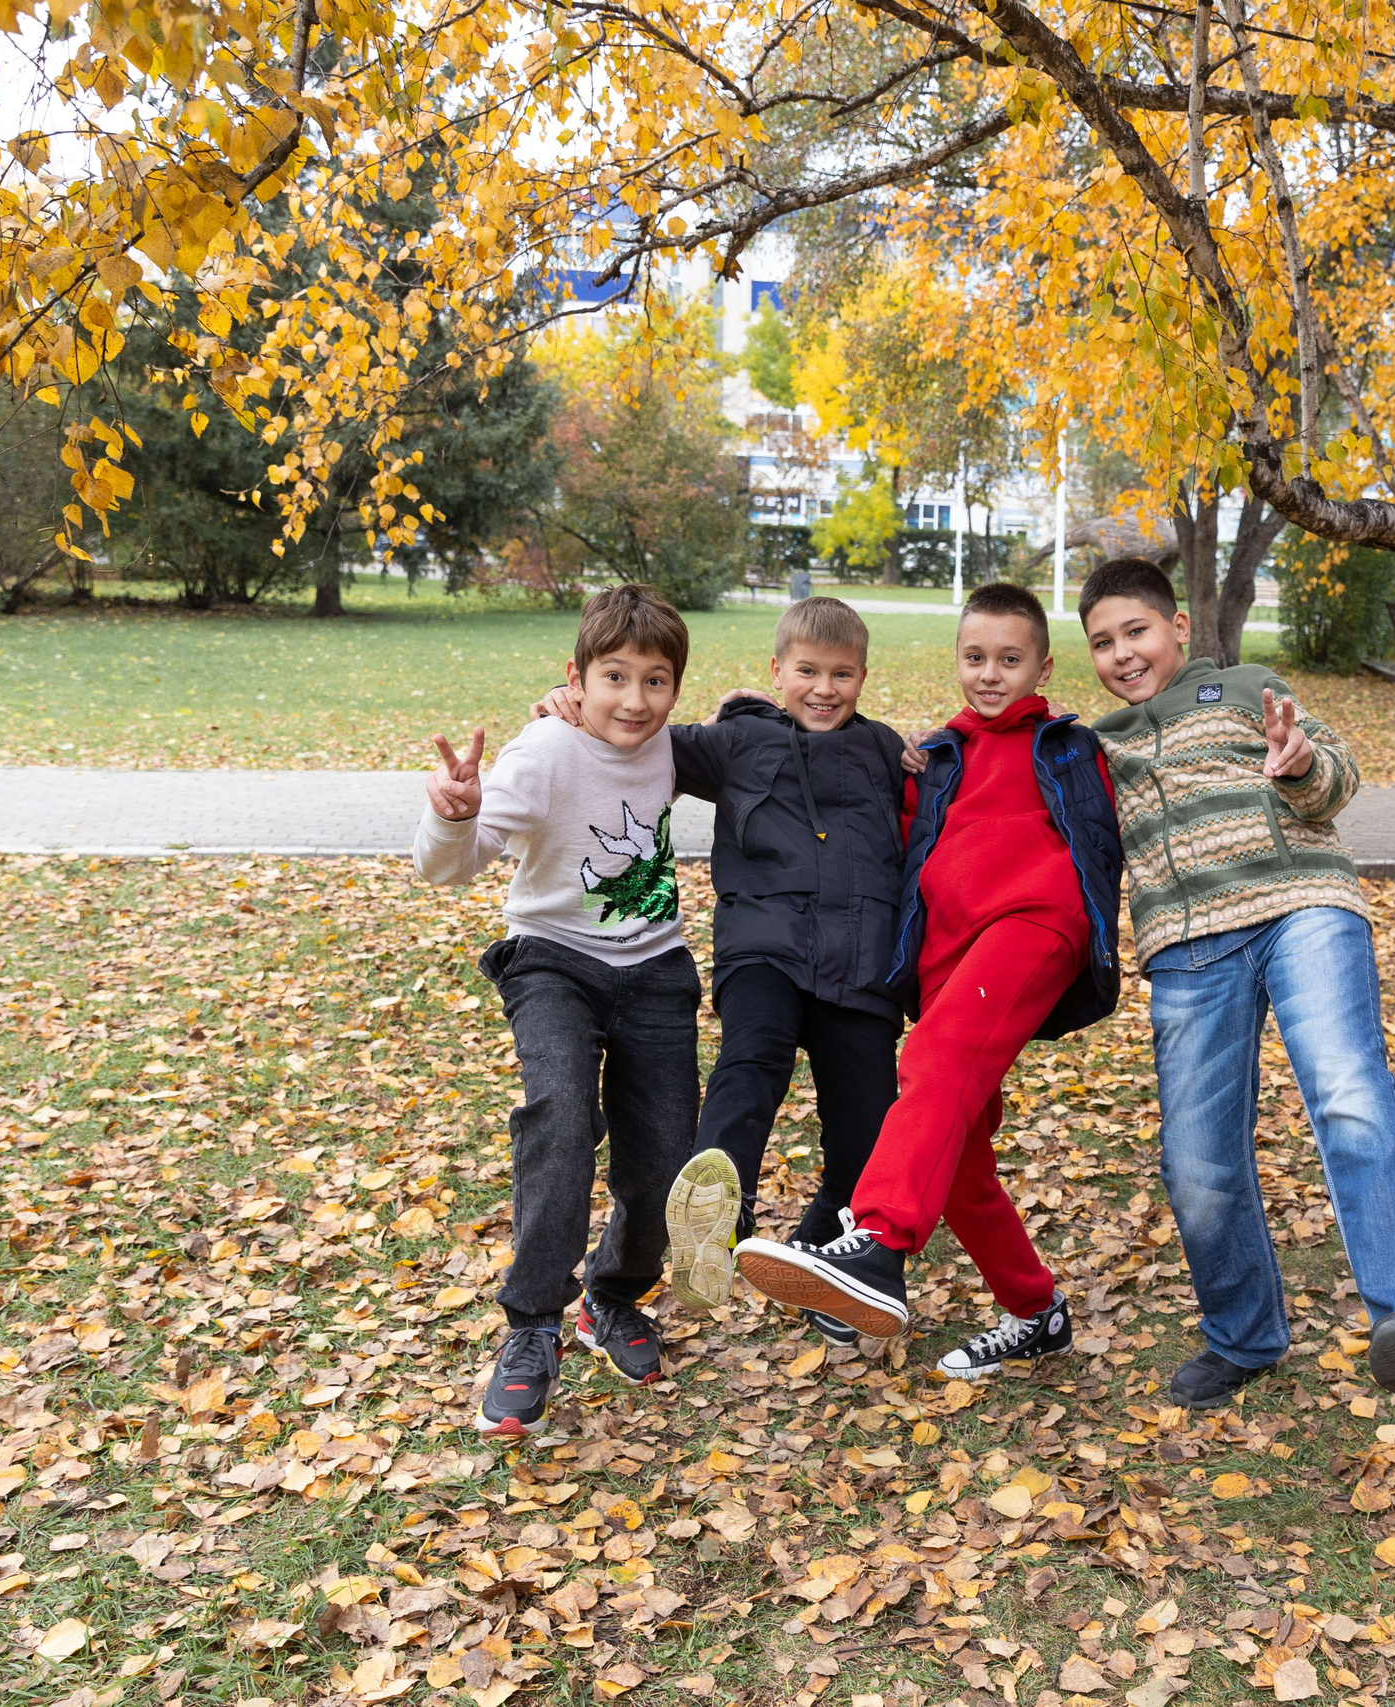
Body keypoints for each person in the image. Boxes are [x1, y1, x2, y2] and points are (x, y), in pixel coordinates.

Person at [1078, 557, 1395, 1425]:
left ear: (1178, 628)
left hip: (1301, 903)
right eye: (1103, 642)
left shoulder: (1246, 689)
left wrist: (1300, 760)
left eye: (1136, 631)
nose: (1123, 653)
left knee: (1347, 1090)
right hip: (1187, 947)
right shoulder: (1097, 745)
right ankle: (1243, 1336)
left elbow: (1337, 773)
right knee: (1196, 1160)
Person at [734, 582, 1124, 1379]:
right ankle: (1035, 1311)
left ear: (1043, 667)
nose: (990, 673)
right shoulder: (933, 757)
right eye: (975, 657)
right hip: (953, 955)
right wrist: (748, 714)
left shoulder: (1070, 747)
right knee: (959, 1157)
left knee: (932, 1062)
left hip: (1036, 922)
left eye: (1010, 659)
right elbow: (834, 772)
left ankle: (876, 1241)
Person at [534, 597, 909, 1347]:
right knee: (752, 1060)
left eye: (841, 675)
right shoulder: (738, 741)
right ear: (777, 671)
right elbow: (633, 734)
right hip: (764, 947)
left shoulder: (885, 750)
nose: (824, 689)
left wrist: (954, 745)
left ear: (864, 677)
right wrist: (567, 706)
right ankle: (714, 1212)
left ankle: (825, 1255)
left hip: (861, 964)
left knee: (867, 1128)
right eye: (807, 671)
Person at [416, 584, 700, 1436]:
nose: (635, 699)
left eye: (655, 680)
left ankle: (611, 1296)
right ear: (576, 679)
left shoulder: (668, 746)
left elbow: (743, 733)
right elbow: (447, 867)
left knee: (665, 1155)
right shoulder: (543, 748)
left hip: (655, 967)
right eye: (615, 676)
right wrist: (452, 814)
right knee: (563, 1114)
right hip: (551, 961)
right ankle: (534, 1325)